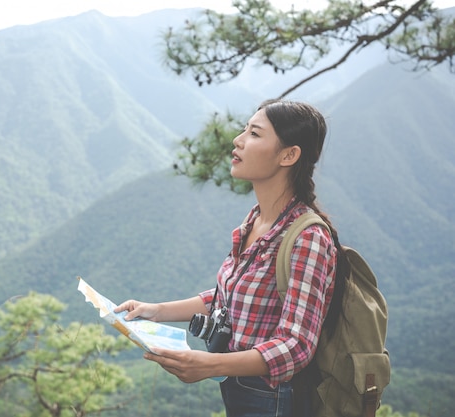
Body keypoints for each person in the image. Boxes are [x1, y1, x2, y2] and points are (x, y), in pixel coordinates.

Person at [114, 99, 349, 417]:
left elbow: (296, 345)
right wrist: (155, 311)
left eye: (254, 133)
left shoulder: (307, 237)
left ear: (289, 155)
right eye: (243, 130)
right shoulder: (256, 220)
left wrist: (211, 364)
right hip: (240, 388)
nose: (238, 140)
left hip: (273, 398)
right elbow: (230, 297)